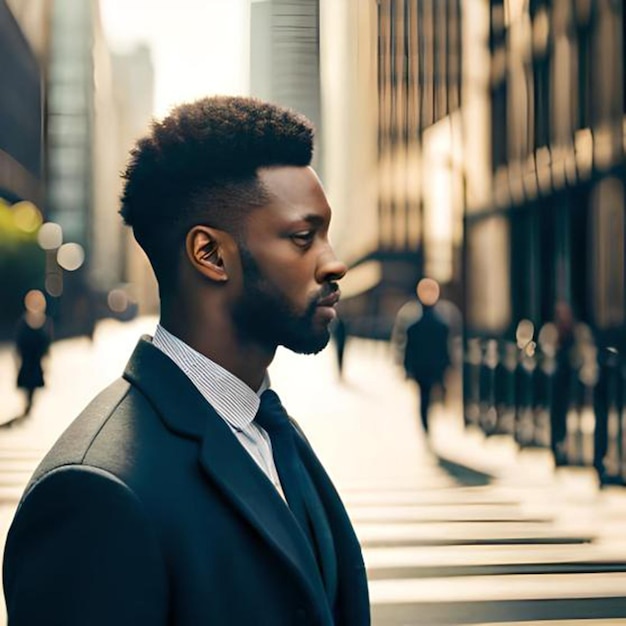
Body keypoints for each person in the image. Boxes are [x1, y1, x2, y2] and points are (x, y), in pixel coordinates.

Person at [3, 96, 370, 626]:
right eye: (302, 237)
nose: (334, 262)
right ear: (211, 254)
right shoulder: (92, 495)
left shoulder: (268, 426)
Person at [403, 278, 451, 435]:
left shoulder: (413, 327)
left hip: (421, 367)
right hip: (432, 366)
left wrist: (407, 368)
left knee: (424, 396)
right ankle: (426, 422)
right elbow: (445, 349)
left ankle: (425, 422)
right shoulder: (441, 326)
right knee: (428, 395)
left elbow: (408, 350)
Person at [14, 289, 52, 416]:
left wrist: (47, 361)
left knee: (33, 385)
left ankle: (29, 405)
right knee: (27, 384)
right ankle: (27, 404)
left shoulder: (45, 322)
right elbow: (18, 345)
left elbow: (47, 344)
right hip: (27, 360)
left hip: (36, 361)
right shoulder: (23, 322)